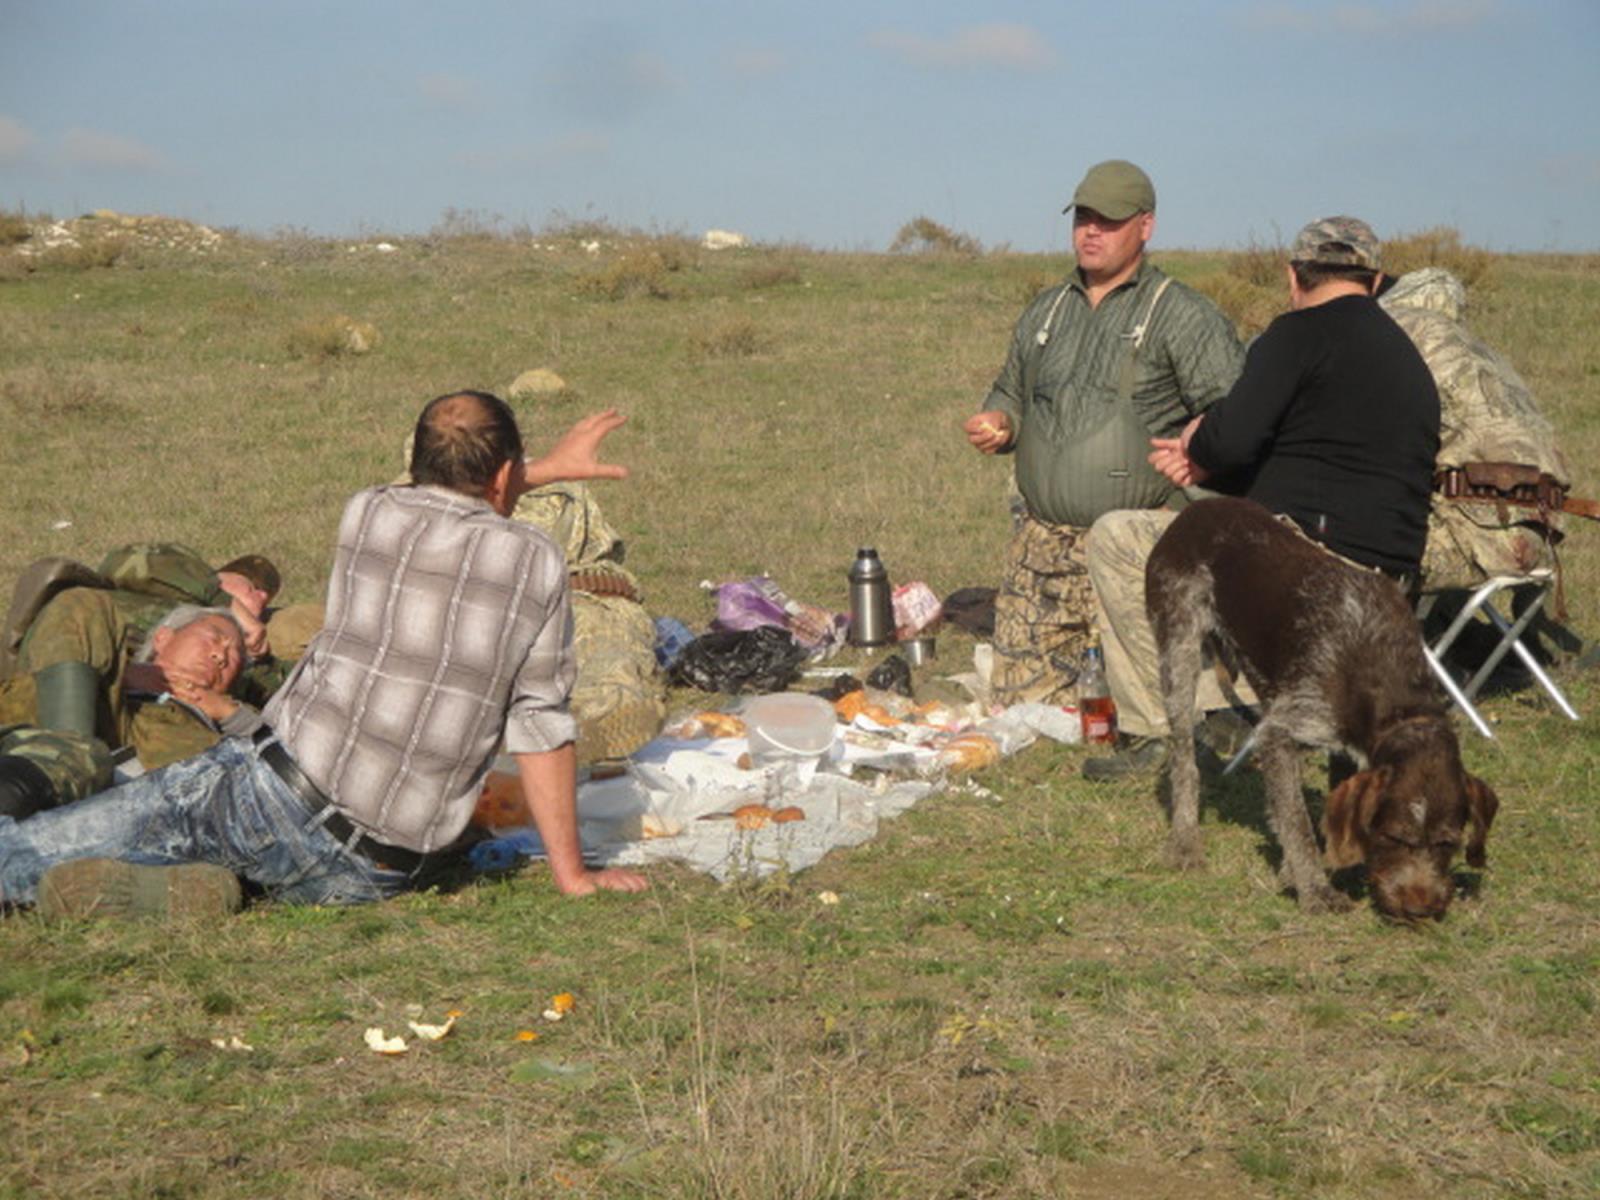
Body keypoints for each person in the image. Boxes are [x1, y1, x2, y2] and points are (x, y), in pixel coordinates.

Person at [0, 396, 649, 916]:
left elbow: (441, 492)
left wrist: (536, 468)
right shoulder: (539, 562)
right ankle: (204, 890)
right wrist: (572, 876)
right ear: (504, 475)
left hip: (267, 798)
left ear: (419, 464)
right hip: (381, 871)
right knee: (241, 848)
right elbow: (540, 726)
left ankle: (160, 877)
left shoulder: (368, 514)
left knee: (21, 852)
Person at [1082, 216, 1441, 778]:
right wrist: (1206, 466)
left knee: (1120, 539)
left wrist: (1196, 441)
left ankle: (1165, 729)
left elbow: (1233, 438)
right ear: (1374, 283)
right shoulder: (1407, 358)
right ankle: (1221, 712)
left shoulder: (1296, 334)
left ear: (1293, 275)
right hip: (1391, 579)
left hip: (1309, 564)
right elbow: (1304, 460)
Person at [963, 160, 1244, 706]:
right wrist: (1000, 423)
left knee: (1137, 707)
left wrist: (1192, 479)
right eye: (1083, 218)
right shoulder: (1046, 312)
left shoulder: (1182, 315)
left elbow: (1233, 423)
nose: (1091, 232)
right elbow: (1009, 391)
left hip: (1134, 548)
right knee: (1018, 710)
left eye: (1108, 221)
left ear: (1146, 226)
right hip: (1042, 548)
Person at [0, 598, 252, 818]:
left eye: (234, 657)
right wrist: (123, 677)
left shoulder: (231, 719)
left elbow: (270, 773)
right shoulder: (104, 668)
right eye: (214, 638)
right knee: (87, 603)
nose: (221, 656)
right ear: (163, 638)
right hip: (85, 717)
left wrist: (233, 716)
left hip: (168, 758)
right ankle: (70, 758)